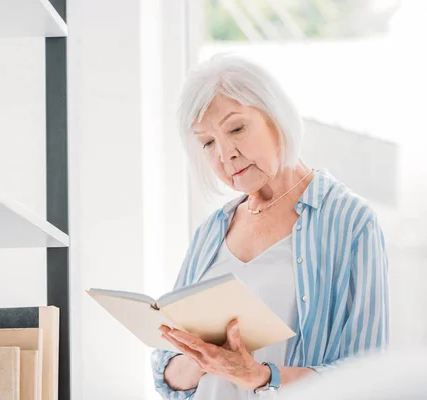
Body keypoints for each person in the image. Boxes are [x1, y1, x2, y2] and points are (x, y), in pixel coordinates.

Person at [151, 53, 389, 400]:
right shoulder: (210, 232)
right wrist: (205, 357)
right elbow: (166, 374)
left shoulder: (350, 222)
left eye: (236, 128)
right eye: (208, 142)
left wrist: (259, 376)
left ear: (276, 117)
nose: (225, 154)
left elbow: (367, 376)